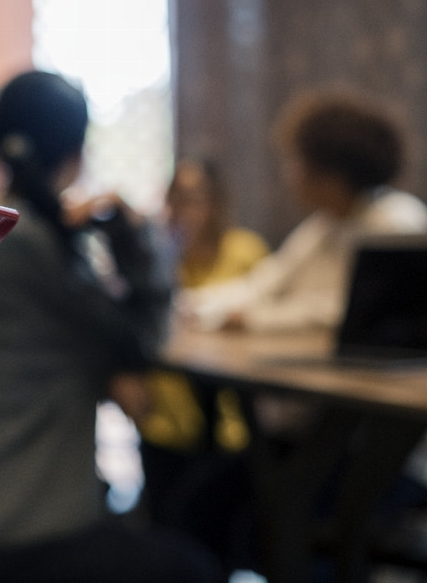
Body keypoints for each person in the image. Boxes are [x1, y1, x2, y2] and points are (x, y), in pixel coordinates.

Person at [0, 71, 222, 583]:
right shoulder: (44, 249)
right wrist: (134, 239)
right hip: (7, 535)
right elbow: (141, 343)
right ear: (78, 152)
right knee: (195, 570)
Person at [182, 90, 427, 332]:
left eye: (296, 161)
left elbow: (349, 309)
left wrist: (255, 319)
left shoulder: (397, 221)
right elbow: (264, 285)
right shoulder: (324, 225)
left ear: (332, 171)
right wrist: (189, 303)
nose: (289, 175)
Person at [134, 159, 270, 572]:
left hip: (233, 423)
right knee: (167, 532)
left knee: (221, 535)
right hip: (166, 416)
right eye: (178, 198)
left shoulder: (244, 252)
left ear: (215, 203)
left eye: (196, 198)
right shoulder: (158, 255)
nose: (186, 209)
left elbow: (266, 314)